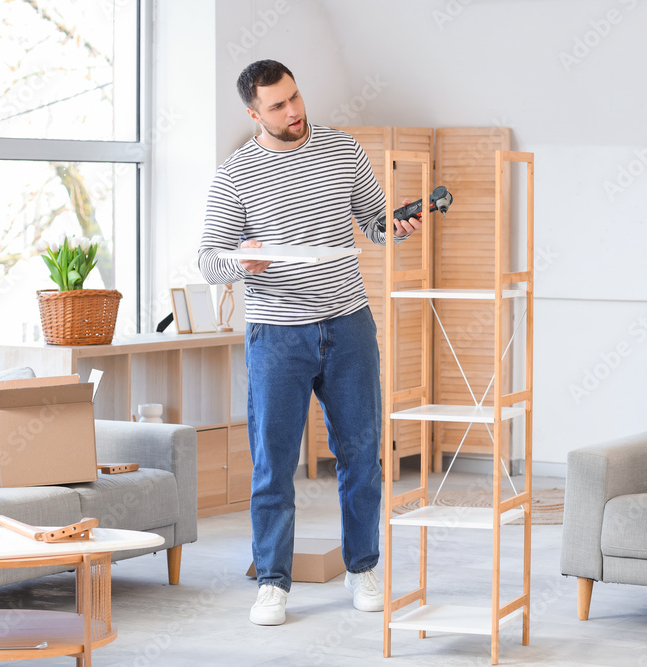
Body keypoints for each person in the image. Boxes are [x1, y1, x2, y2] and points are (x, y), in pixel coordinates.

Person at [198, 59, 422, 626]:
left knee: (361, 456)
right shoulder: (234, 176)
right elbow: (209, 260)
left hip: (348, 326)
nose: (294, 112)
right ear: (254, 113)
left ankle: (363, 567)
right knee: (274, 465)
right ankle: (273, 581)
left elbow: (372, 224)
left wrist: (396, 224)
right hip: (276, 335)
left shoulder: (342, 150)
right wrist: (241, 259)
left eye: (295, 97)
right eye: (278, 106)